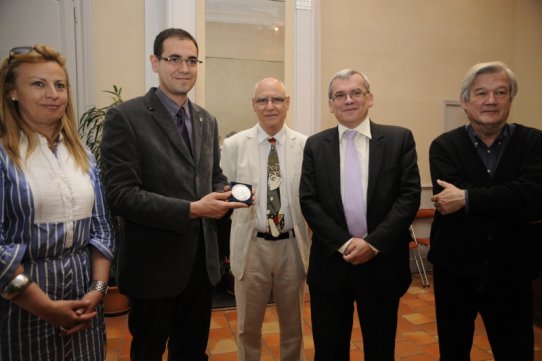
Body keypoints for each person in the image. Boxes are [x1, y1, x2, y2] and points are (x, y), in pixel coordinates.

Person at [100, 28, 247, 361]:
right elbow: (121, 195)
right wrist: (192, 209)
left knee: (192, 352)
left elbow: (214, 176)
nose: (184, 67)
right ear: (155, 62)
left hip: (200, 265)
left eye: (192, 60)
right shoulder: (126, 117)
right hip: (153, 267)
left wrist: (224, 194)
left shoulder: (206, 120)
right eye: (175, 59)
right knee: (149, 351)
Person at [0, 45, 115, 360]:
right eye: (38, 84)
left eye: (60, 85)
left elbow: (101, 227)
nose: (53, 94)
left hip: (84, 297)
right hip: (22, 301)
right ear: (12, 92)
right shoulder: (3, 157)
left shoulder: (84, 156)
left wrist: (97, 290)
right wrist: (47, 308)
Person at [299, 69, 421, 361]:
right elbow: (308, 200)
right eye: (339, 95)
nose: (348, 100)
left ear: (370, 98)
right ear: (331, 104)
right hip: (331, 263)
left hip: (381, 263)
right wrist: (344, 242)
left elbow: (409, 197)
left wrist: (373, 243)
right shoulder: (315, 145)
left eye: (356, 93)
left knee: (380, 349)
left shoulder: (398, 139)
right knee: (329, 350)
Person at [428, 61, 542, 360]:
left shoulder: (535, 143)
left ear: (511, 99)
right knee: (453, 352)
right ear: (465, 102)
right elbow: (519, 199)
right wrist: (509, 201)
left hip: (513, 273)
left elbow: (533, 197)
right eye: (481, 93)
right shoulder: (444, 146)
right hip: (455, 272)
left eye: (500, 92)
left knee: (516, 351)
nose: (491, 100)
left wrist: (467, 198)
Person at [221, 77, 310, 361]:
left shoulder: (306, 146)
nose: (270, 106)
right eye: (263, 100)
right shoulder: (234, 145)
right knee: (248, 327)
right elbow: (220, 190)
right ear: (253, 105)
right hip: (252, 247)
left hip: (292, 247)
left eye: (277, 100)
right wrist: (227, 194)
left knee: (294, 325)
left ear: (287, 104)